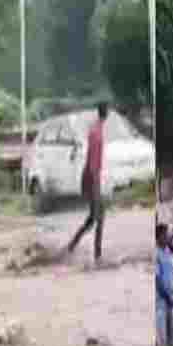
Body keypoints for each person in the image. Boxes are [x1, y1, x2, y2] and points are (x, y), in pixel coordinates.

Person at [67, 102, 108, 262]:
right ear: (107, 114)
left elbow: (92, 158)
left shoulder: (95, 129)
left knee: (93, 218)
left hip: (91, 177)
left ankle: (72, 245)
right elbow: (92, 160)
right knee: (99, 216)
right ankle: (97, 255)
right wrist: (96, 182)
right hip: (92, 179)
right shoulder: (96, 132)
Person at [156, 223, 173, 346]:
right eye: (166, 234)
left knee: (172, 336)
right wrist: (168, 297)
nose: (169, 236)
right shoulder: (156, 253)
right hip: (160, 302)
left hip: (170, 300)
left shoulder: (168, 253)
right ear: (159, 236)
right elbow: (157, 280)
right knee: (162, 338)